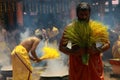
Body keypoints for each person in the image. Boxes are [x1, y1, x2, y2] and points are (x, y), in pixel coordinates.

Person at [59, 2, 110, 80]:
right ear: (77, 14)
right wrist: (75, 51)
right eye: (81, 15)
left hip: (94, 66)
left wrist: (96, 49)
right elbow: (62, 47)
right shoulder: (70, 29)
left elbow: (107, 44)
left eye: (86, 14)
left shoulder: (96, 28)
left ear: (89, 14)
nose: (84, 17)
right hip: (77, 66)